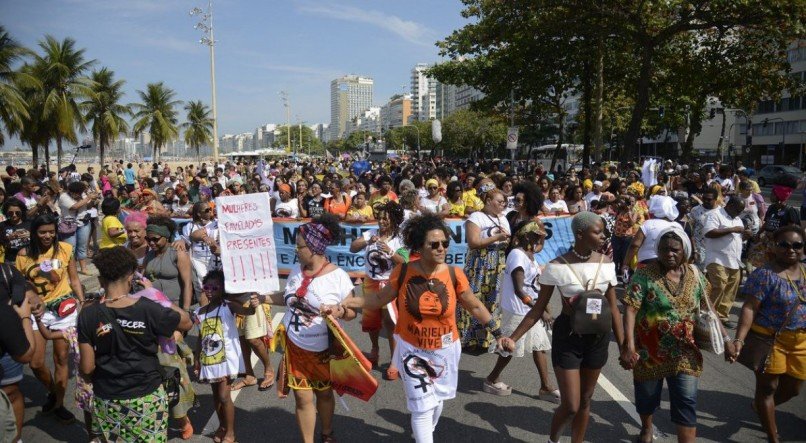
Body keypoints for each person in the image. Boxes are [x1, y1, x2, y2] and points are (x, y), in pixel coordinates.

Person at [340, 213, 497, 443]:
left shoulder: (455, 274)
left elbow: (474, 305)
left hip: (445, 350)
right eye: (434, 244)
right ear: (419, 247)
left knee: (437, 401)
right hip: (412, 350)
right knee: (421, 408)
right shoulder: (403, 271)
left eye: (445, 243)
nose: (441, 248)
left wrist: (499, 332)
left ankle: (424, 433)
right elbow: (377, 300)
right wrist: (347, 302)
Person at [499, 211, 625, 443]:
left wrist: (625, 348)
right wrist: (513, 338)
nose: (603, 236)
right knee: (570, 405)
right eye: (597, 232)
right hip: (568, 337)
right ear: (580, 234)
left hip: (598, 338)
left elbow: (614, 309)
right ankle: (553, 440)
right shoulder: (556, 266)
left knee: (586, 400)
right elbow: (537, 309)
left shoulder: (607, 264)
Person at [621, 226, 734, 443]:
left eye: (675, 250)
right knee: (647, 397)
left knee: (686, 400)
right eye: (664, 250)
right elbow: (631, 309)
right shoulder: (644, 275)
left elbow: (708, 309)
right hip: (649, 351)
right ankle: (647, 427)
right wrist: (628, 345)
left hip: (685, 352)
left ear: (685, 251)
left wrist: (727, 340)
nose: (669, 254)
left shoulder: (696, 275)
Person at [77, 246, 192, 442]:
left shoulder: (87, 314)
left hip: (107, 397)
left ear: (100, 279)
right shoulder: (149, 309)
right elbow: (186, 321)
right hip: (146, 396)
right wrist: (156, 294)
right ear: (131, 276)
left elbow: (87, 367)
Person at [259, 214, 356, 443]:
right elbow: (287, 298)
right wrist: (262, 297)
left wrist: (338, 310)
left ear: (313, 247)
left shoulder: (338, 276)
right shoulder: (296, 270)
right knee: (302, 399)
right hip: (296, 349)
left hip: (323, 351)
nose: (296, 250)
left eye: (299, 245)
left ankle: (327, 432)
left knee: (323, 394)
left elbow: (351, 311)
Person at [728, 225, 805, 443]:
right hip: (771, 340)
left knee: (794, 389)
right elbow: (750, 308)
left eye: (797, 245)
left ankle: (759, 405)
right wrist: (739, 340)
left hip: (800, 341)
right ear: (774, 246)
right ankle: (773, 437)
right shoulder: (765, 275)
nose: (791, 250)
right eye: (784, 245)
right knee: (768, 388)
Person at [16, 213, 84, 423]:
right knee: (35, 363)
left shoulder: (65, 249)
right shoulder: (23, 255)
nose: (47, 236)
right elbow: (19, 285)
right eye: (42, 232)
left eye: (51, 232)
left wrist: (80, 302)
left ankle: (59, 404)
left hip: (63, 310)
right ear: (34, 233)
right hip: (36, 312)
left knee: (61, 358)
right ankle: (53, 391)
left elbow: (73, 278)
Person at [484, 221, 559, 401]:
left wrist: (542, 309)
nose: (539, 239)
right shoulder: (517, 255)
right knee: (510, 346)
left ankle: (546, 387)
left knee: (539, 346)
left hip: (530, 310)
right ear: (526, 236)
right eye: (535, 235)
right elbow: (519, 290)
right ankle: (491, 379)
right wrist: (540, 311)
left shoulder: (529, 256)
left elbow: (535, 288)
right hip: (519, 310)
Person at [194, 270, 256, 443]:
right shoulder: (199, 312)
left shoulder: (228, 306)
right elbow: (200, 338)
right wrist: (197, 360)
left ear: (223, 289)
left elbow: (249, 311)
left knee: (224, 396)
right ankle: (222, 426)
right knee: (216, 397)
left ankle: (230, 432)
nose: (210, 291)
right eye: (207, 287)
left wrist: (254, 304)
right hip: (209, 360)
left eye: (215, 287)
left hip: (226, 360)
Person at [349, 201, 407, 380]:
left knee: (390, 322)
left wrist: (389, 251)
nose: (381, 221)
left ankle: (394, 361)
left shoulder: (399, 239)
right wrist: (368, 240)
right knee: (371, 322)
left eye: (386, 219)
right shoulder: (371, 233)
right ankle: (374, 349)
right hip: (370, 283)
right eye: (380, 218)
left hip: (389, 285)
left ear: (394, 221)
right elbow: (353, 247)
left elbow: (405, 262)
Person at [461, 189, 510, 350]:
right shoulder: (476, 217)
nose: (502, 205)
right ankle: (470, 339)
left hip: (498, 263)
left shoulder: (503, 218)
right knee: (475, 298)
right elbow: (473, 242)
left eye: (504, 202)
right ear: (488, 201)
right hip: (480, 263)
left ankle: (488, 339)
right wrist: (496, 237)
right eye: (499, 201)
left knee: (493, 299)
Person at [0, 267, 37, 442]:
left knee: (11, 393)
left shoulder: (7, 271)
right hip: (13, 340)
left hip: (8, 347)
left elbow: (23, 284)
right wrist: (25, 318)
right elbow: (26, 354)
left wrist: (33, 298)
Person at [703, 197, 750, 326]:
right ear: (729, 205)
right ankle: (707, 315)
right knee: (719, 285)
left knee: (730, 289)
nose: (739, 212)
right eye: (737, 209)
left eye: (741, 210)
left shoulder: (738, 219)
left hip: (734, 260)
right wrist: (732, 229)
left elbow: (738, 239)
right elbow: (709, 232)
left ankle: (722, 317)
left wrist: (745, 235)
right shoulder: (715, 214)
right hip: (717, 258)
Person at [143, 216, 193, 310]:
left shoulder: (178, 253)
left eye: (155, 239)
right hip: (153, 306)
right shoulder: (149, 255)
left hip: (174, 306)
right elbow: (143, 278)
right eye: (148, 239)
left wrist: (186, 310)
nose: (151, 243)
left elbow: (187, 284)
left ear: (166, 236)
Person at [622, 195, 679, 277]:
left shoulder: (648, 224)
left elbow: (635, 245)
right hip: (670, 268)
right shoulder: (677, 226)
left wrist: (625, 264)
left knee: (639, 289)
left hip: (646, 265)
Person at [181, 202, 221, 305]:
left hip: (213, 259)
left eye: (210, 209)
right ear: (199, 214)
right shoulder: (189, 226)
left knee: (216, 283)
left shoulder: (216, 224)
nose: (210, 212)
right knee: (203, 283)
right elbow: (187, 244)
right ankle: (205, 306)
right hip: (198, 259)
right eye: (207, 210)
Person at [57, 181, 98, 274]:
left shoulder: (83, 194)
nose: (80, 194)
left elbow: (86, 206)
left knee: (82, 247)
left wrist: (93, 201)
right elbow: (74, 207)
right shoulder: (64, 196)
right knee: (70, 249)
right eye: (78, 193)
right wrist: (88, 197)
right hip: (68, 225)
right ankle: (71, 270)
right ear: (71, 191)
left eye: (81, 192)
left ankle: (83, 268)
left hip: (83, 223)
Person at [0, 198, 30, 264]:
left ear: (22, 211)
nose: (14, 215)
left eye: (17, 213)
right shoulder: (2, 225)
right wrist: (8, 238)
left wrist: (31, 235)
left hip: (28, 258)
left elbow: (39, 240)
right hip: (10, 260)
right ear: (6, 213)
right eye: (10, 213)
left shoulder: (30, 223)